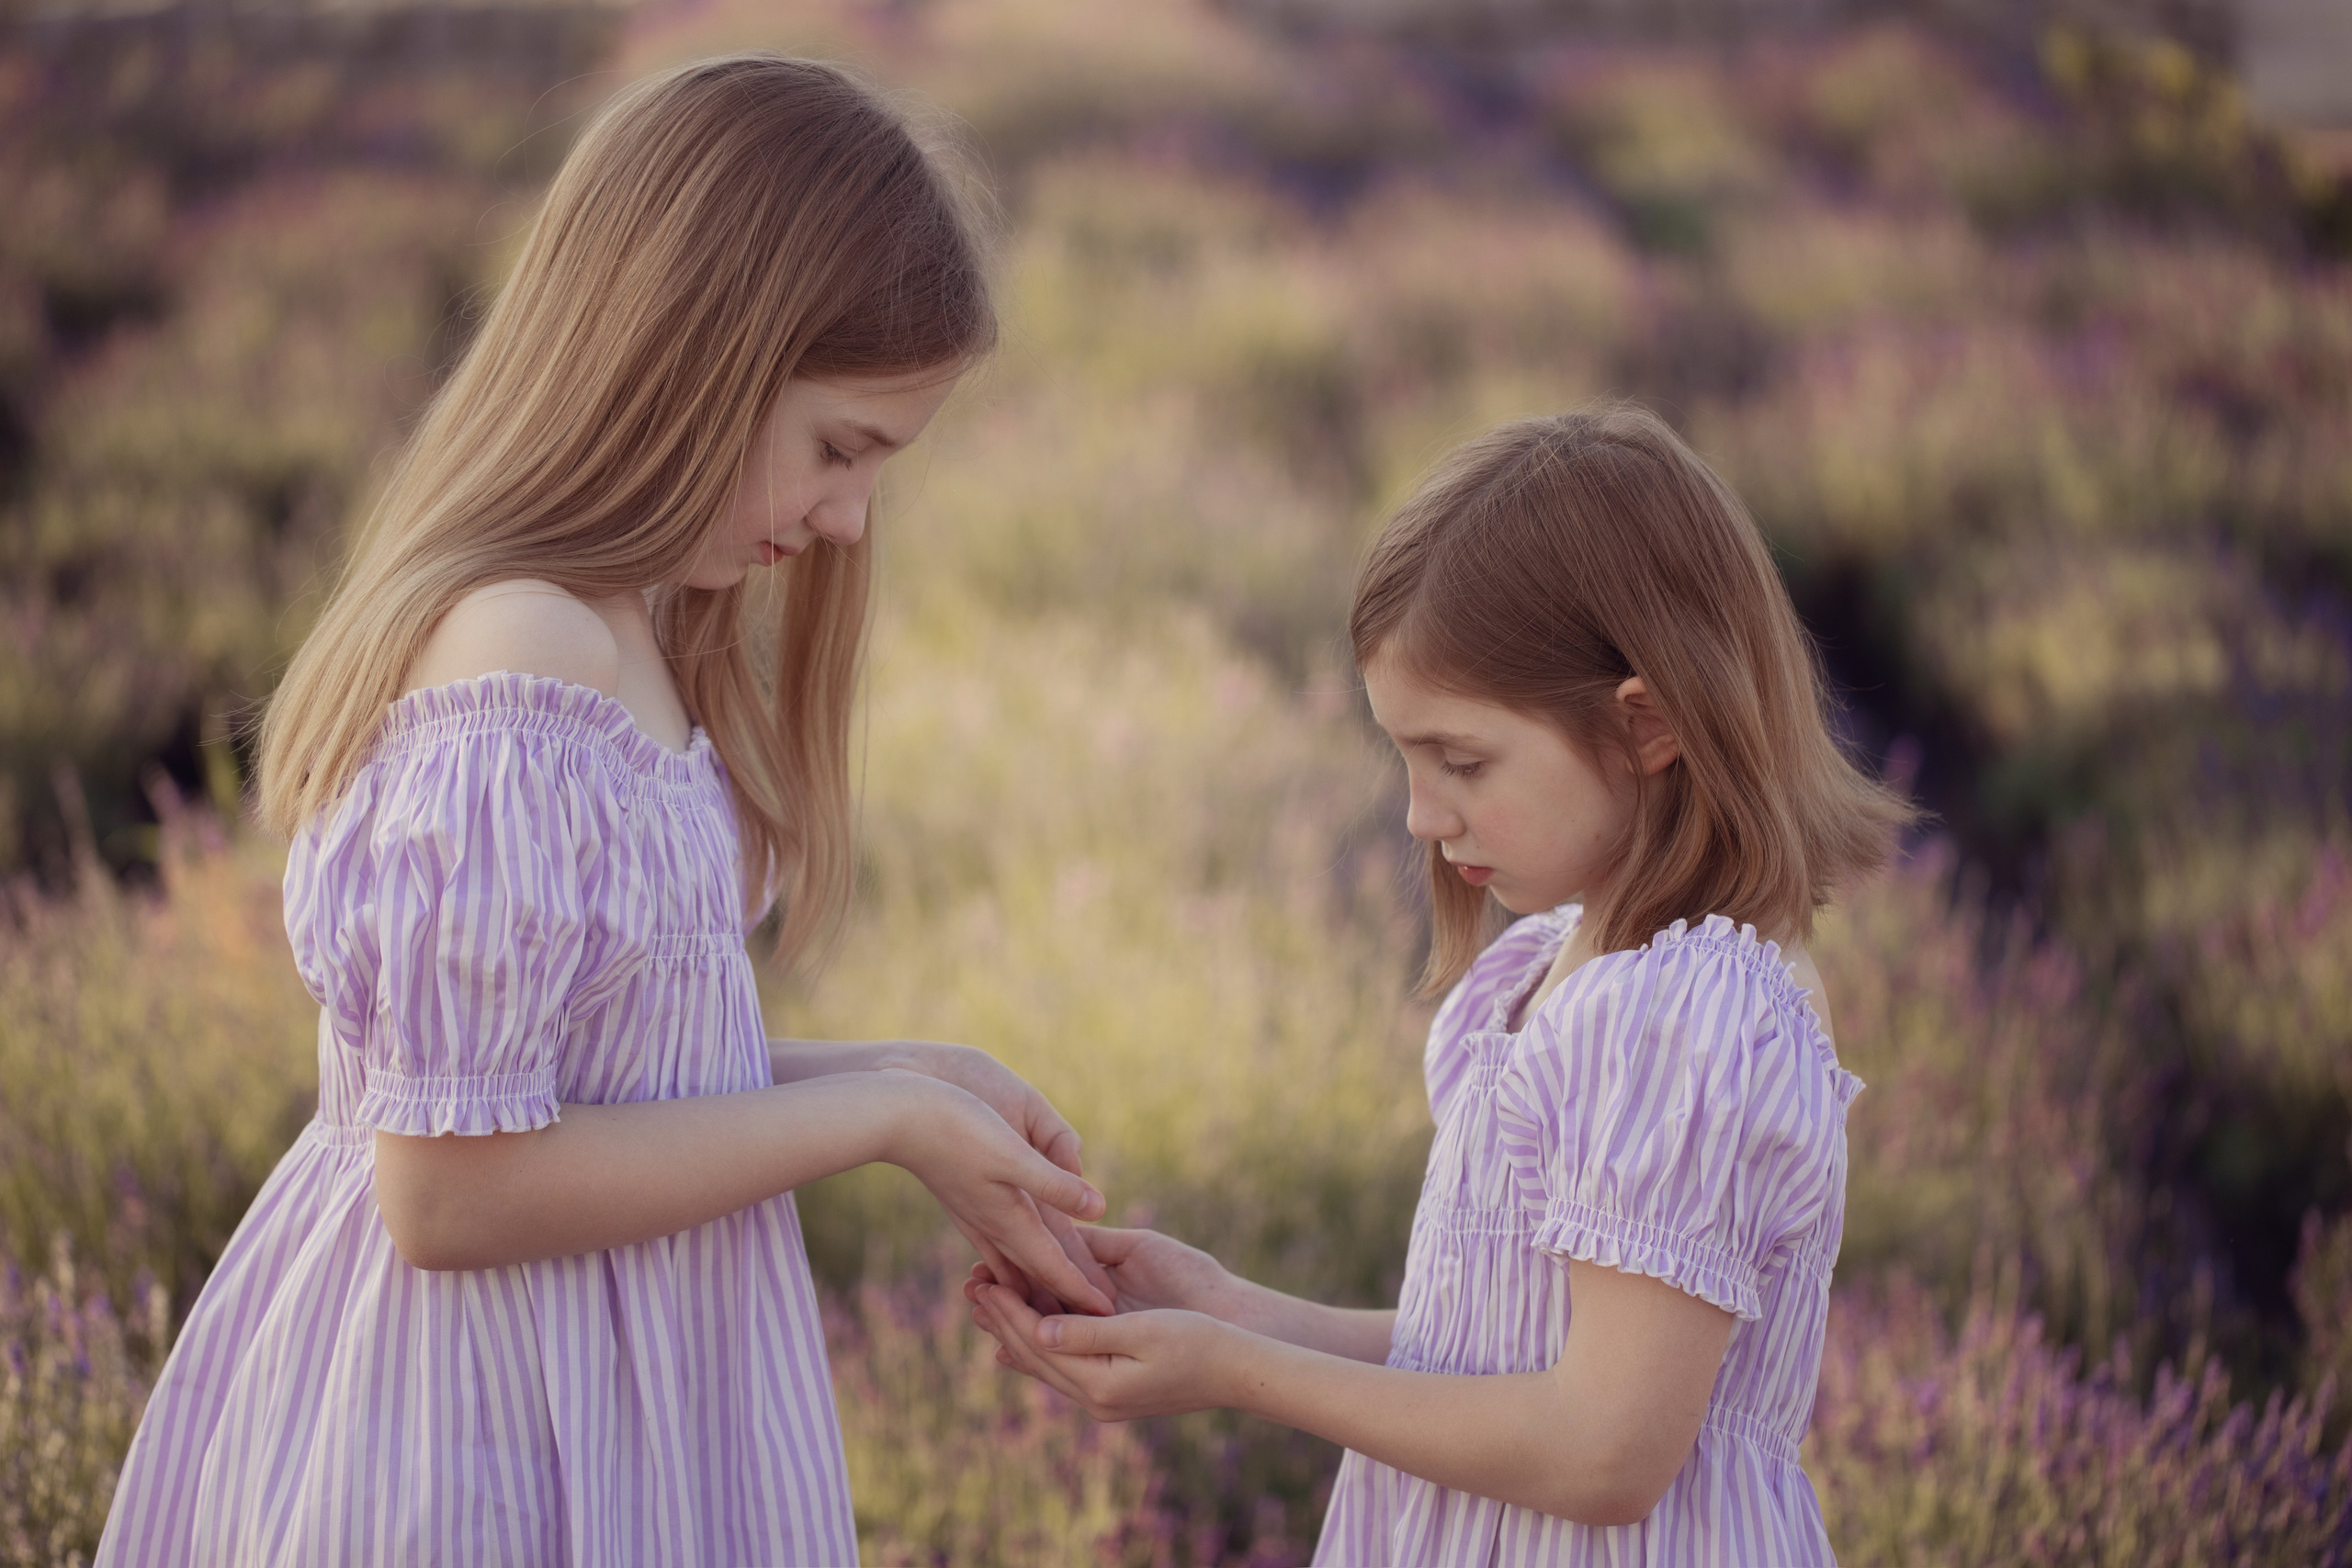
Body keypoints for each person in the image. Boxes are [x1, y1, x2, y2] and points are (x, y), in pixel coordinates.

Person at [96, 53, 1116, 1568]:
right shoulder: (524, 654)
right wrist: (881, 1119)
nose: (850, 517)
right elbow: (448, 1190)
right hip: (475, 1439)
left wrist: (918, 1074)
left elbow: (603, 1074)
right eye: (841, 447)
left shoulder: (632, 628)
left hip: (589, 1397)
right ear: (691, 354)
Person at [969, 405, 1915, 1565]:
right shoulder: (1580, 969)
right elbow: (1501, 1356)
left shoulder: (1685, 1018)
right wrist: (1233, 1311)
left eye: (1462, 761)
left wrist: (1240, 1374)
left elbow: (1604, 1451)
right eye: (1406, 758)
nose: (1421, 814)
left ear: (1649, 725)